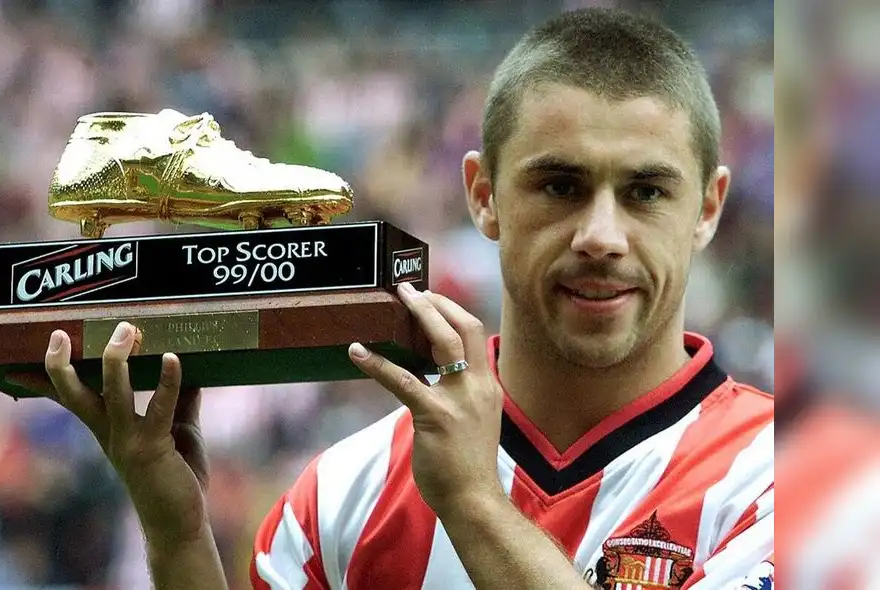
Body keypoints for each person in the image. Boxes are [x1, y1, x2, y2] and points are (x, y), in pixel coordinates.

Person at [38, 8, 773, 589]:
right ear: (483, 197)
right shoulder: (340, 496)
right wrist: (178, 537)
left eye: (646, 191)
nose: (601, 235)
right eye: (560, 186)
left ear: (708, 209)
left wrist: (476, 506)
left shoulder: (783, 479)